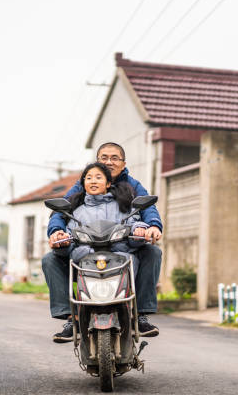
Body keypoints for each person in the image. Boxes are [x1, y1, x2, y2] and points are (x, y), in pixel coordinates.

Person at [42, 142, 163, 343]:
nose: (108, 162)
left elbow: (145, 210)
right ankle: (71, 316)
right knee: (50, 259)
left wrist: (150, 227)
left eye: (114, 158)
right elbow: (60, 213)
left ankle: (141, 313)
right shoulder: (80, 194)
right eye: (103, 158)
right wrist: (57, 234)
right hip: (85, 251)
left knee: (153, 252)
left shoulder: (131, 189)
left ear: (123, 164)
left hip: (121, 249)